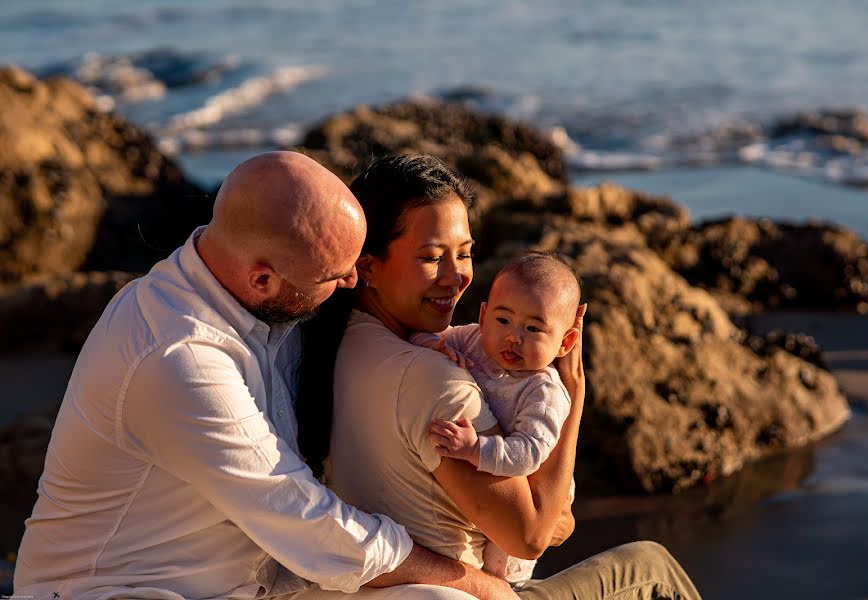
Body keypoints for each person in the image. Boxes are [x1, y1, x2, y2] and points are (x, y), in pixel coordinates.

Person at [14, 151, 517, 600]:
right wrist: (471, 581)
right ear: (262, 279)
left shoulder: (252, 303)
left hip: (258, 583)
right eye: (333, 276)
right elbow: (302, 515)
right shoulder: (179, 357)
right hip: (122, 591)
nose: (350, 282)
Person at [305, 154, 703, 599]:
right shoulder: (437, 380)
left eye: (465, 253)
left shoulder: (332, 341)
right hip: (466, 588)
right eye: (432, 257)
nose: (456, 277)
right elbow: (531, 535)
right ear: (369, 266)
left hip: (383, 585)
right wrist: (573, 393)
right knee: (651, 567)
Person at [410, 252, 582, 588]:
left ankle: (508, 588)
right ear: (485, 315)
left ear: (565, 342)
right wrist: (435, 346)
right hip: (491, 481)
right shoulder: (472, 339)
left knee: (499, 563)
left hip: (535, 491)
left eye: (533, 328)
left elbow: (529, 453)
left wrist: (476, 449)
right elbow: (419, 340)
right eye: (504, 320)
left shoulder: (544, 392)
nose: (513, 336)